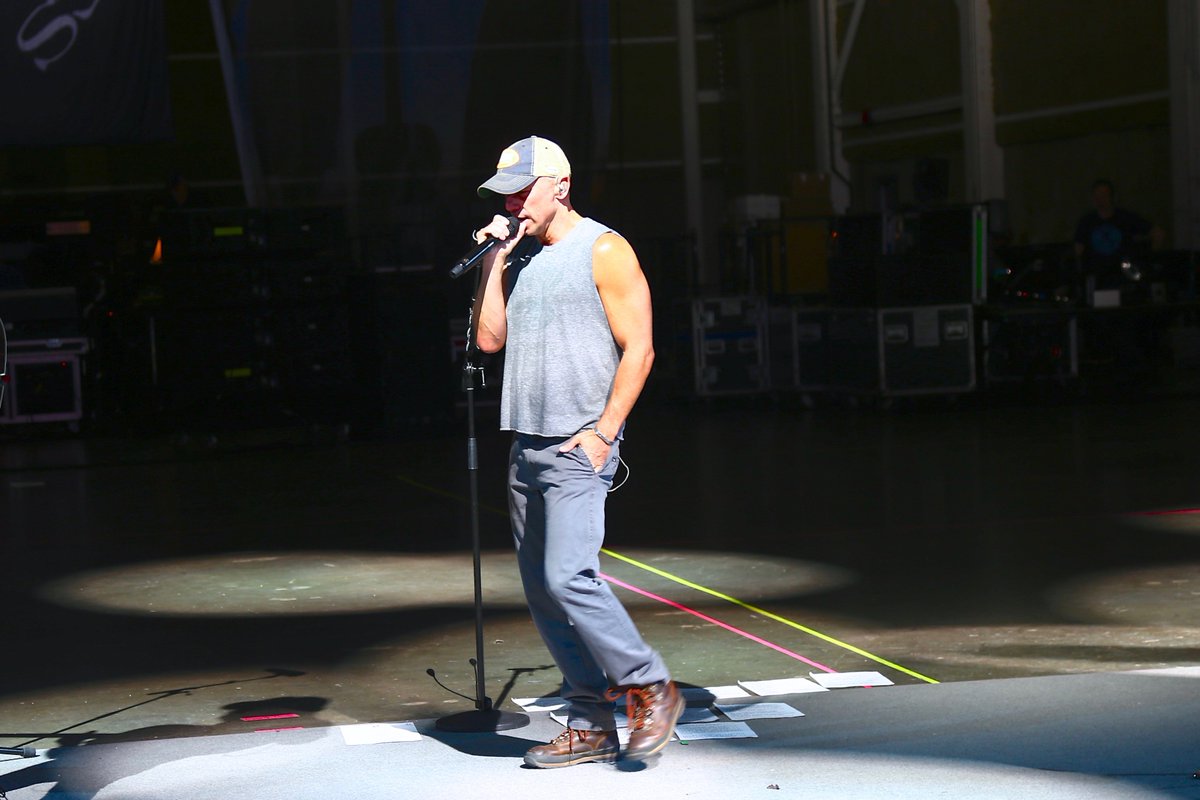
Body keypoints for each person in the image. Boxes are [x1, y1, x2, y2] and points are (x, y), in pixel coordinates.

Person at [470, 135, 683, 768]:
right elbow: (488, 340)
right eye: (505, 194)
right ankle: (590, 723)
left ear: (560, 186)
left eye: (522, 191)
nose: (512, 203)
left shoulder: (604, 248)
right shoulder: (520, 257)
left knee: (570, 577)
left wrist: (603, 434)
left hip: (577, 446)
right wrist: (493, 260)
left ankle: (650, 684)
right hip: (526, 446)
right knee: (544, 593)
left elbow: (640, 348)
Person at [1073, 178, 1165, 291]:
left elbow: (1158, 233)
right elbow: (1078, 250)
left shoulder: (1125, 218)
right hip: (1097, 276)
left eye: (1103, 195)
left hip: (1123, 277)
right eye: (1097, 195)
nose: (1100, 199)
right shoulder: (1086, 222)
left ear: (1112, 197)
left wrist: (1148, 261)